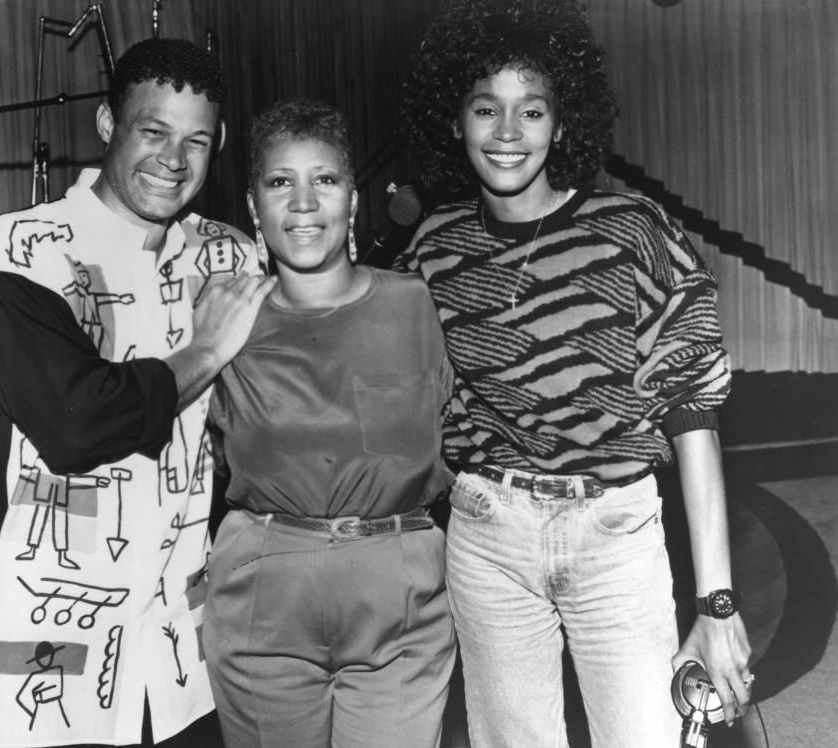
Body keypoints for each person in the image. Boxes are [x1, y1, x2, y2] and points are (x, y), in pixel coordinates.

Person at [395, 1, 753, 746]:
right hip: (488, 533)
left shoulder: (634, 233)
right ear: (454, 120)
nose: (507, 131)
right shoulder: (432, 252)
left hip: (614, 532)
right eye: (485, 107)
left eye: (532, 110)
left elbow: (694, 421)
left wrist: (717, 606)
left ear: (561, 125)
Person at [0, 37, 275, 747]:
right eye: (152, 131)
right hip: (54, 624)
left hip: (181, 637)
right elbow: (80, 422)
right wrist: (207, 350)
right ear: (108, 125)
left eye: (197, 140)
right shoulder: (24, 248)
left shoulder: (227, 253)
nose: (175, 160)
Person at [202, 98, 457, 748]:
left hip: (399, 596)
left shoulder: (418, 307)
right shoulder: (220, 319)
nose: (305, 202)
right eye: (280, 182)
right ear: (255, 209)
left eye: (326, 179)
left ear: (354, 201)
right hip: (264, 597)